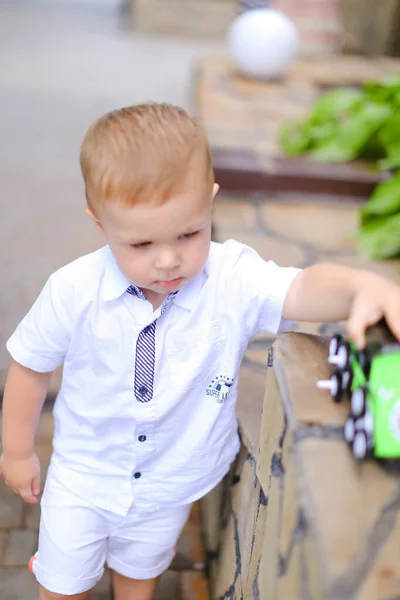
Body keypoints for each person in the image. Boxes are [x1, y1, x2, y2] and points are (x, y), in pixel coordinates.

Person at [1, 103, 400, 600]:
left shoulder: (231, 278)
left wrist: (361, 286)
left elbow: (300, 288)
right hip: (84, 476)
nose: (168, 260)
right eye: (141, 244)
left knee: (140, 577)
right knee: (62, 584)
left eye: (190, 234)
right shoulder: (72, 290)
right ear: (99, 223)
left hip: (172, 480)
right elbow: (30, 365)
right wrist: (16, 451)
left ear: (210, 202)